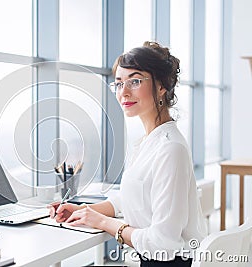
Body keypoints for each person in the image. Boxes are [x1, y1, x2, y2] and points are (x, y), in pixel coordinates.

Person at [49, 41, 207, 266]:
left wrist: (103, 222)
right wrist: (83, 211)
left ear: (161, 85)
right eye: (119, 83)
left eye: (135, 81)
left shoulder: (171, 148)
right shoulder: (147, 142)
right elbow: (132, 199)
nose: (123, 92)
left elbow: (163, 244)